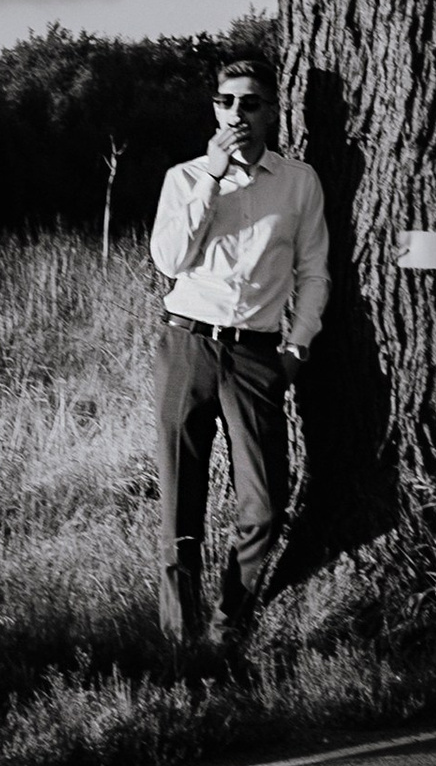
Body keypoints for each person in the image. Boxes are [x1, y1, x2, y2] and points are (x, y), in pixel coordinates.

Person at [148, 55, 330, 642]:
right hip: (188, 343)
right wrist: (213, 177)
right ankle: (182, 642)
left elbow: (314, 271)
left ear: (273, 109)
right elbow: (169, 260)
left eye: (250, 103)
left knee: (266, 504)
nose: (236, 114)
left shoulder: (298, 182)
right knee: (182, 504)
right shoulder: (185, 177)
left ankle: (229, 625)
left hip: (256, 354)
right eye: (226, 103)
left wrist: (298, 345)